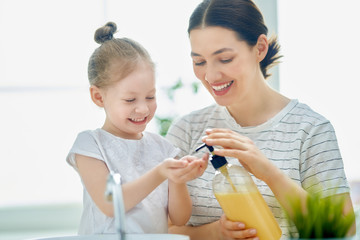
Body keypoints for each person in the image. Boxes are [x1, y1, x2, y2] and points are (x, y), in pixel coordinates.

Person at [166, 0, 356, 239]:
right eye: (199, 62)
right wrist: (215, 232)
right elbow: (159, 228)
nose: (211, 75)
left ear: (260, 48)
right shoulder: (187, 130)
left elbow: (342, 230)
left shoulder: (310, 130)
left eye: (225, 59)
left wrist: (268, 172)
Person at [66, 22, 208, 235]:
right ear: (98, 96)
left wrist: (177, 180)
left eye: (150, 96)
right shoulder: (91, 145)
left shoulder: (163, 149)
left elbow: (179, 218)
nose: (143, 108)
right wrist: (160, 172)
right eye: (130, 99)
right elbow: (111, 204)